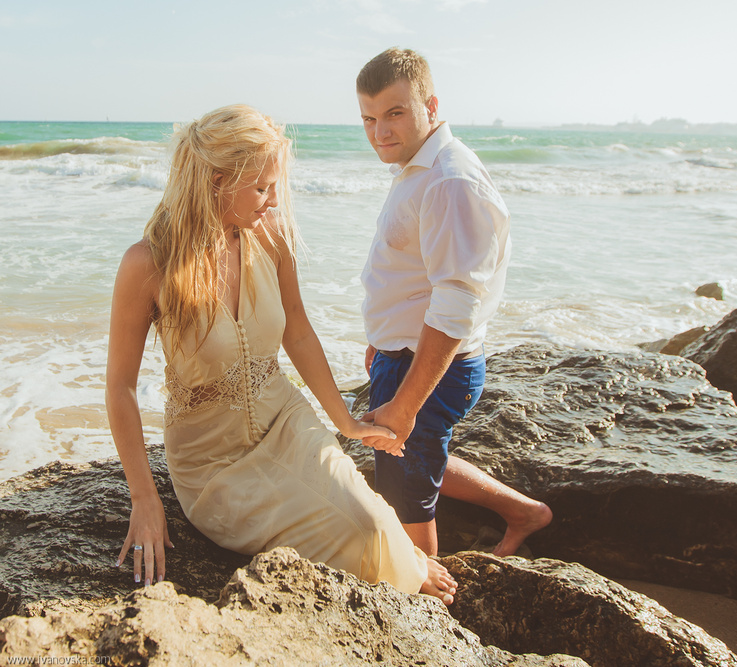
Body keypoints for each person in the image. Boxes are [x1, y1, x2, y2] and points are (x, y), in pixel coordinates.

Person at [105, 104, 456, 604]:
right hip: (211, 465)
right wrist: (144, 497)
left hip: (286, 420)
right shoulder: (148, 264)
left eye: (276, 186)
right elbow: (119, 387)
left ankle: (402, 561)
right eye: (261, 187)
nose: (273, 201)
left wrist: (346, 422)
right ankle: (404, 567)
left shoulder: (269, 237)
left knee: (374, 524)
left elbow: (299, 332)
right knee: (362, 540)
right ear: (217, 181)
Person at [355, 48, 552, 558]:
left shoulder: (449, 181)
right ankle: (524, 512)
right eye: (369, 119)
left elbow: (455, 304)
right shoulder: (422, 168)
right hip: (402, 354)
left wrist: (405, 403)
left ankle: (428, 605)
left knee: (406, 492)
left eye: (395, 113)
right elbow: (412, 276)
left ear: (430, 104)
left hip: (427, 362)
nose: (380, 132)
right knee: (413, 456)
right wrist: (380, 345)